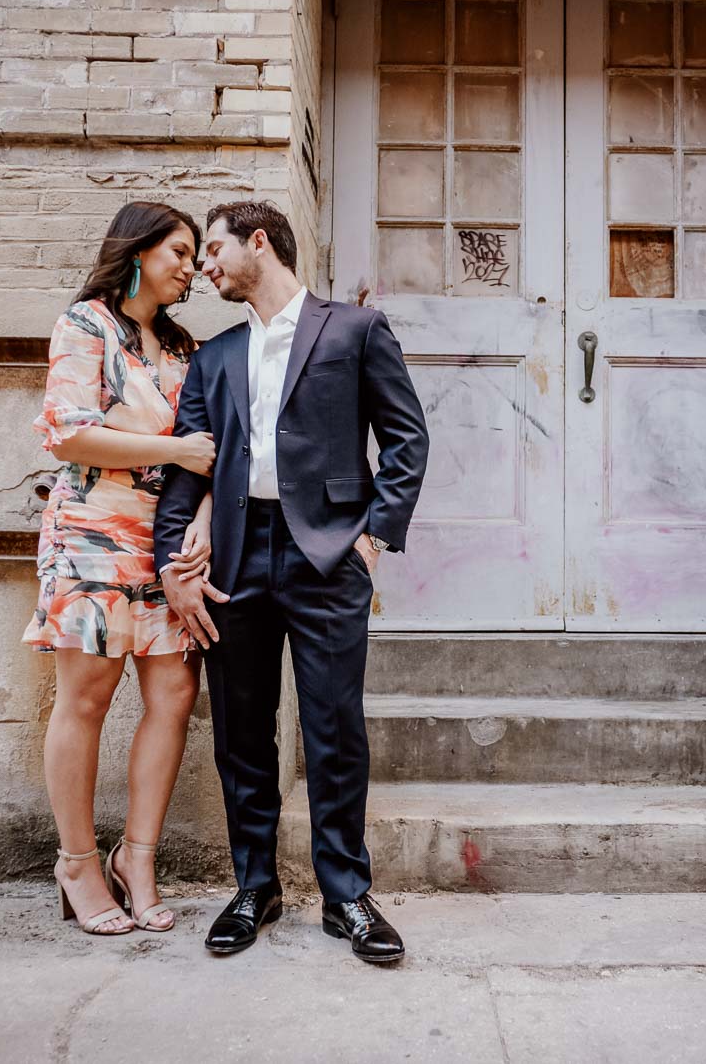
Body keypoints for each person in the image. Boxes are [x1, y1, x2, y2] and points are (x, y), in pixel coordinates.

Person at [153, 200, 428, 963]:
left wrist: (373, 540)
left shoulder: (355, 330)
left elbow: (407, 438)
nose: (204, 266)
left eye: (214, 249)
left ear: (260, 242)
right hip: (235, 560)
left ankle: (346, 894)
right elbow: (187, 473)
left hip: (329, 554)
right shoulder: (211, 358)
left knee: (334, 727)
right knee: (243, 732)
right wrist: (171, 565)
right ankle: (255, 886)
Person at [24, 201, 219, 936]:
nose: (190, 265)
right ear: (135, 250)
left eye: (195, 252)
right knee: (88, 699)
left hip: (165, 542)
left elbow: (210, 459)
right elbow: (69, 434)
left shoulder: (183, 348)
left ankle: (137, 859)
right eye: (177, 249)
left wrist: (198, 528)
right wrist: (173, 454)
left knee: (172, 693)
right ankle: (76, 860)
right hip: (93, 536)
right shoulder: (85, 326)